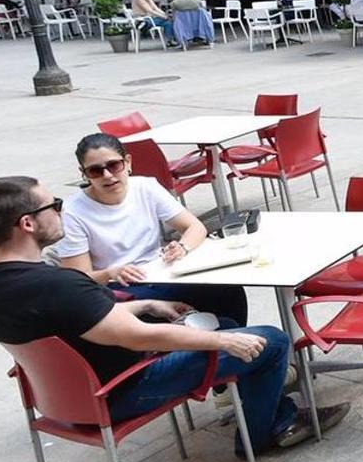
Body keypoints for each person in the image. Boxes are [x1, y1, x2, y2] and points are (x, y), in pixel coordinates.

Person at [0, 176, 348, 458]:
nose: (60, 211)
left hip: (62, 398)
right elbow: (137, 339)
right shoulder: (57, 283)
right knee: (269, 340)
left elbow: (80, 322)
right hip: (125, 389)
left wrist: (147, 306)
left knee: (229, 325)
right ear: (27, 223)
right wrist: (222, 342)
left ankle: (264, 411)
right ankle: (268, 431)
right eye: (53, 206)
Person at [53, 133, 250, 325]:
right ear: (84, 173)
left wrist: (182, 247)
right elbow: (77, 279)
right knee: (207, 314)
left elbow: (195, 227)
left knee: (228, 290)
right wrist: (111, 273)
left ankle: (232, 343)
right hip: (119, 289)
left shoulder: (145, 187)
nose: (107, 175)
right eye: (95, 171)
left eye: (114, 165)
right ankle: (220, 342)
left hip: (162, 274)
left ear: (127, 162)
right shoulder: (72, 212)